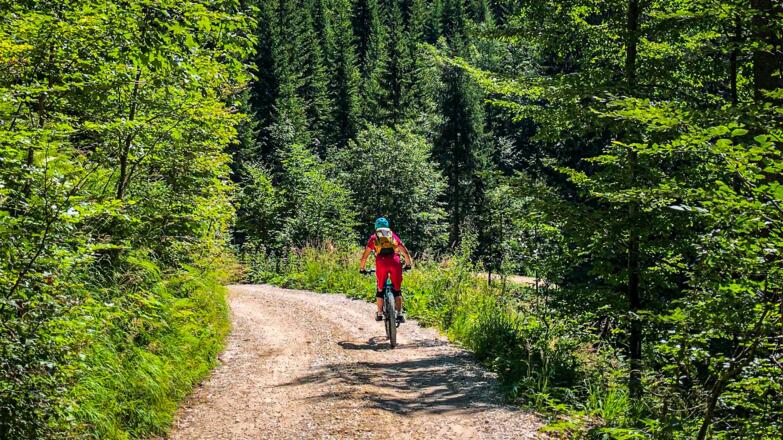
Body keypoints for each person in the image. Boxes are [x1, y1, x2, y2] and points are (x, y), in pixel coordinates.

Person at [359, 217, 413, 323]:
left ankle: (379, 314)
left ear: (376, 227)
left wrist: (362, 268)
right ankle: (400, 314)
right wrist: (408, 264)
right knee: (397, 290)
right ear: (387, 226)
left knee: (380, 289)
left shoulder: (374, 237)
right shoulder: (392, 235)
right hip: (395, 262)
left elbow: (365, 255)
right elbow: (404, 252)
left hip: (381, 263)